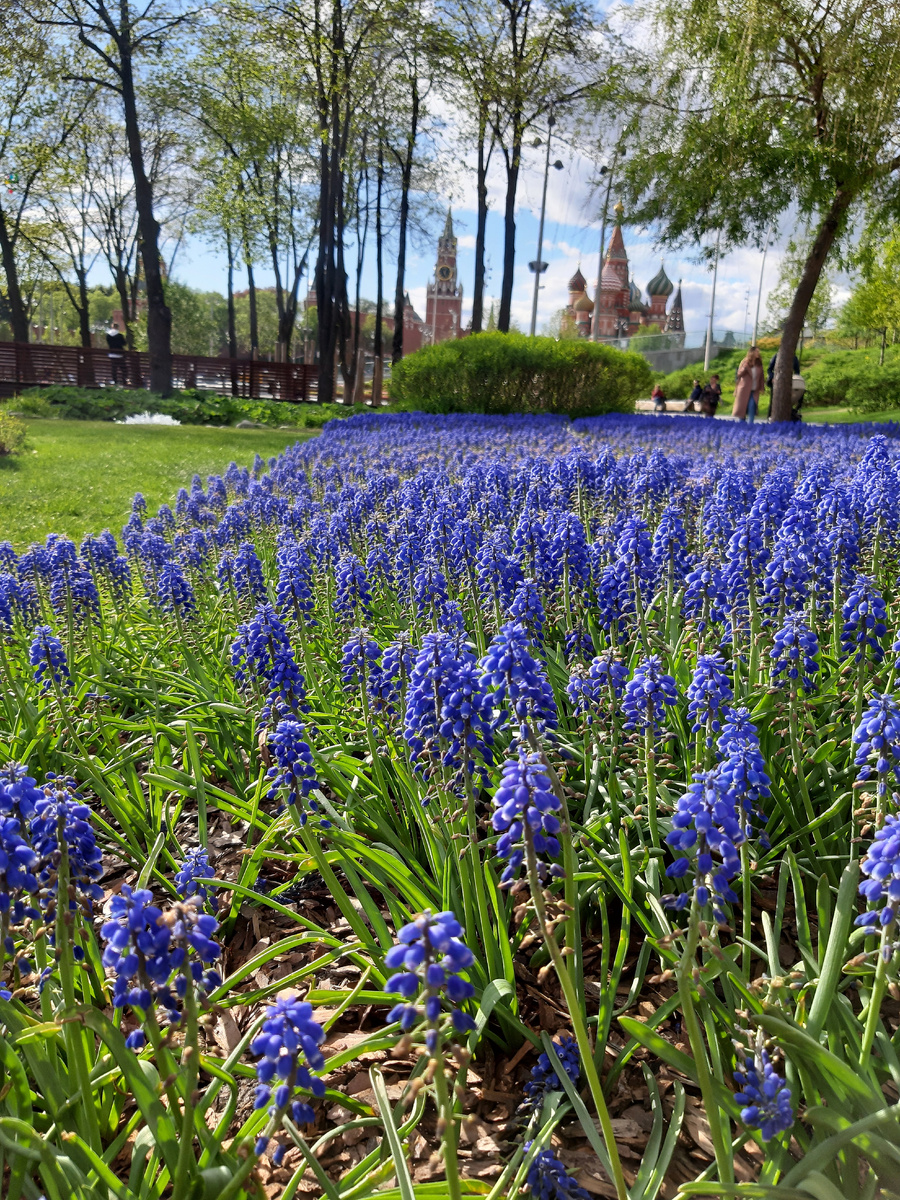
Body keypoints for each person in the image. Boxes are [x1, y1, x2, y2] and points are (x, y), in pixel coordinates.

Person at [733, 347, 765, 423]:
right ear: (752, 352)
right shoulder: (745, 362)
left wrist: (762, 387)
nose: (758, 353)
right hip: (744, 389)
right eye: (757, 351)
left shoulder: (759, 363)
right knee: (742, 408)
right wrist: (744, 367)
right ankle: (742, 425)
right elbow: (738, 374)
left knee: (752, 406)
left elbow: (761, 376)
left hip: (754, 390)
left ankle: (751, 424)